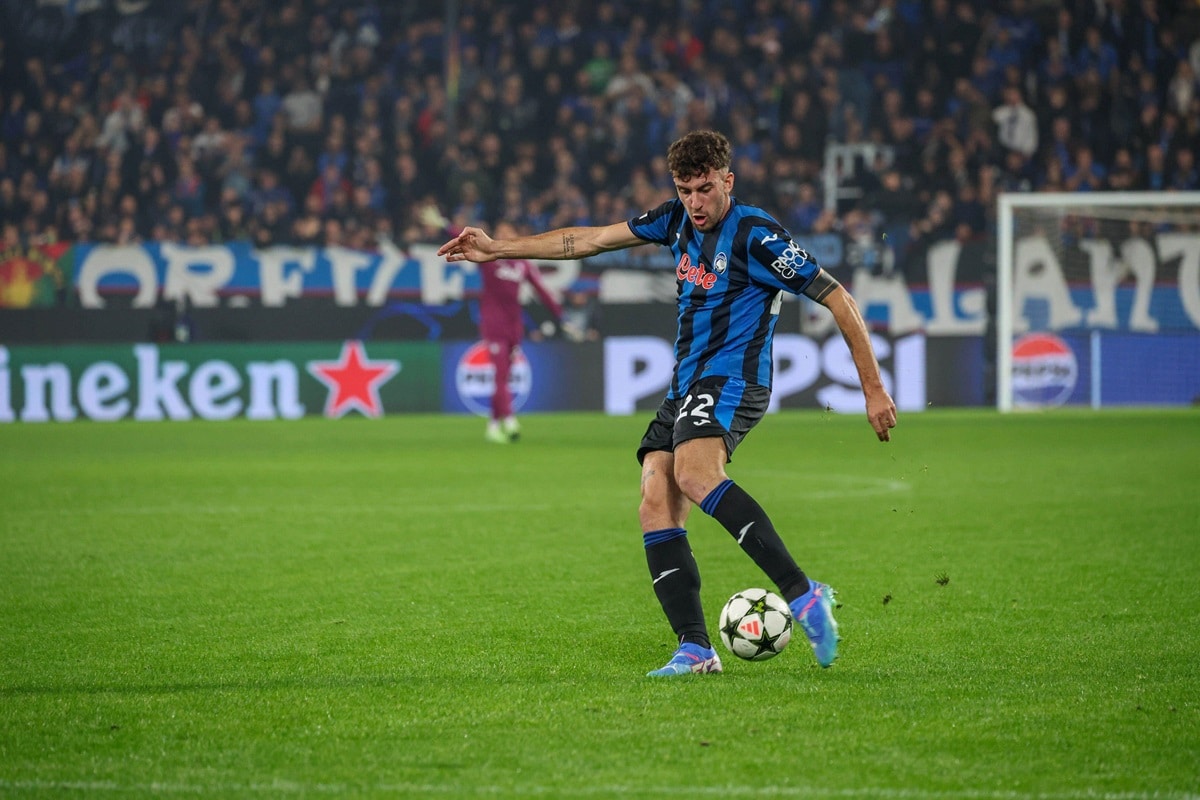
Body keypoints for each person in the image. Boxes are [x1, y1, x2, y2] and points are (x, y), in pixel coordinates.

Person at [439, 130, 896, 676]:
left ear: (728, 180)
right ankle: (696, 649)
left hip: (735, 379)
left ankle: (803, 594)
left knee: (697, 474)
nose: (695, 203)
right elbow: (585, 241)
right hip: (685, 384)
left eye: (705, 189)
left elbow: (837, 297)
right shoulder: (674, 219)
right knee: (655, 498)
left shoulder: (757, 233)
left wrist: (872, 388)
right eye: (685, 190)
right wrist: (496, 248)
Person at [477, 220, 563, 444]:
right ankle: (510, 420)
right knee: (500, 375)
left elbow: (541, 290)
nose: (504, 234)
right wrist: (447, 227)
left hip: (514, 327)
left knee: (504, 376)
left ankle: (493, 426)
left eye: (508, 231)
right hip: (494, 325)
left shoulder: (522, 264)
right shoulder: (488, 258)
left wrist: (560, 314)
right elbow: (468, 239)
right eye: (500, 231)